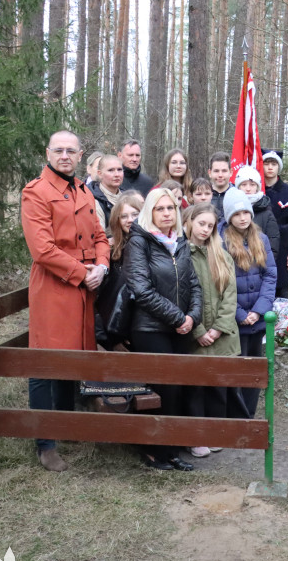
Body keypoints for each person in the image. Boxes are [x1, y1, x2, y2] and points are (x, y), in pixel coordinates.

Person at [22, 130, 110, 472]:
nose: (64, 156)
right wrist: (81, 272)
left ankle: (66, 423)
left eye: (70, 151)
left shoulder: (84, 189)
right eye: (58, 150)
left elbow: (101, 236)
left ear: (80, 155)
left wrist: (102, 266)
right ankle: (45, 442)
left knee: (72, 358)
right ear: (48, 152)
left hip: (85, 286)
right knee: (46, 362)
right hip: (55, 287)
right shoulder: (36, 191)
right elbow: (41, 249)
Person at [125, 188, 202, 470]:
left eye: (171, 208)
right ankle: (154, 450)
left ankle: (171, 449)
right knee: (160, 390)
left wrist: (192, 316)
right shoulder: (139, 241)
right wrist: (178, 318)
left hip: (180, 328)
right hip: (150, 329)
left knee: (178, 389)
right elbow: (142, 290)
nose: (167, 213)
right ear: (150, 212)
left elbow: (193, 283)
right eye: (160, 209)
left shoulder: (178, 241)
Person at [184, 203, 240, 456]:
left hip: (221, 336)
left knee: (218, 386)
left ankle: (216, 432)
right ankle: (196, 437)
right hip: (194, 333)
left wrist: (218, 328)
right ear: (189, 222)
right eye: (201, 224)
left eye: (210, 225)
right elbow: (180, 296)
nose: (205, 230)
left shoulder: (222, 254)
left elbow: (230, 295)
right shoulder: (181, 254)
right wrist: (198, 331)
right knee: (195, 387)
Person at [222, 188, 277, 418]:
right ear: (229, 217)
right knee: (237, 369)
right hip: (236, 318)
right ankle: (235, 415)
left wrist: (258, 311)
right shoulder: (221, 241)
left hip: (257, 317)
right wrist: (240, 313)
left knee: (255, 368)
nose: (243, 217)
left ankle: (249, 416)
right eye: (237, 214)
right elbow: (220, 283)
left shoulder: (260, 238)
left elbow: (270, 275)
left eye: (246, 212)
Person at [95, 192, 143, 348]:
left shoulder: (152, 247)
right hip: (113, 331)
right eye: (124, 216)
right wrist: (111, 340)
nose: (130, 220)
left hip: (143, 328)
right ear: (117, 220)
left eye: (135, 214)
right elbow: (100, 298)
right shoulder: (109, 251)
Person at [262, 149, 288, 298]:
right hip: (261, 243)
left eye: (274, 164)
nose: (270, 167)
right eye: (266, 164)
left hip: (283, 246)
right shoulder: (256, 190)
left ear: (279, 167)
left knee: (282, 289)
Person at [233, 165, 280, 257]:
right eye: (244, 184)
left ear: (257, 187)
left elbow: (273, 245)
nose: (248, 188)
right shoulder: (231, 210)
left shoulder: (266, 213)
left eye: (252, 184)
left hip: (259, 265)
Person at [90, 154, 124, 236]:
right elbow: (99, 237)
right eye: (111, 170)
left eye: (119, 170)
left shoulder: (128, 197)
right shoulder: (93, 200)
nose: (117, 174)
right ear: (100, 174)